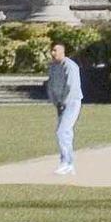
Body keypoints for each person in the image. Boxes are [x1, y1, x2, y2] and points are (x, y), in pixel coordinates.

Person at [46, 42, 83, 176]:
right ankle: (70, 164)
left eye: (55, 50)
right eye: (52, 50)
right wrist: (55, 101)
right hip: (60, 103)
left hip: (71, 102)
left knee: (61, 131)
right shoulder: (53, 67)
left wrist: (63, 101)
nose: (53, 53)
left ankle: (65, 162)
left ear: (63, 51)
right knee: (66, 133)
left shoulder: (70, 66)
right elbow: (50, 84)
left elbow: (71, 86)